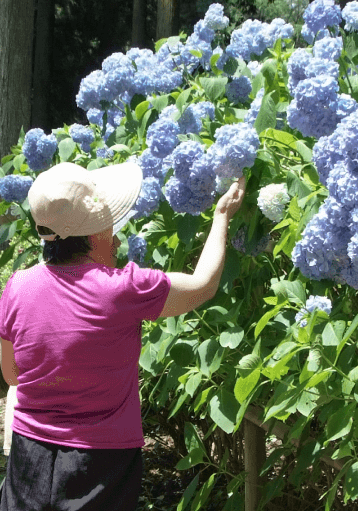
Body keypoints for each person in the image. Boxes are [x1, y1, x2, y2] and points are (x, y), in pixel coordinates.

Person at [0, 161, 245, 510]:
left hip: (29, 457)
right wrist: (222, 215)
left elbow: (12, 375)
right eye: (108, 225)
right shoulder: (122, 290)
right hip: (101, 465)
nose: (116, 238)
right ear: (90, 234)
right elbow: (202, 286)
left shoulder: (17, 286)